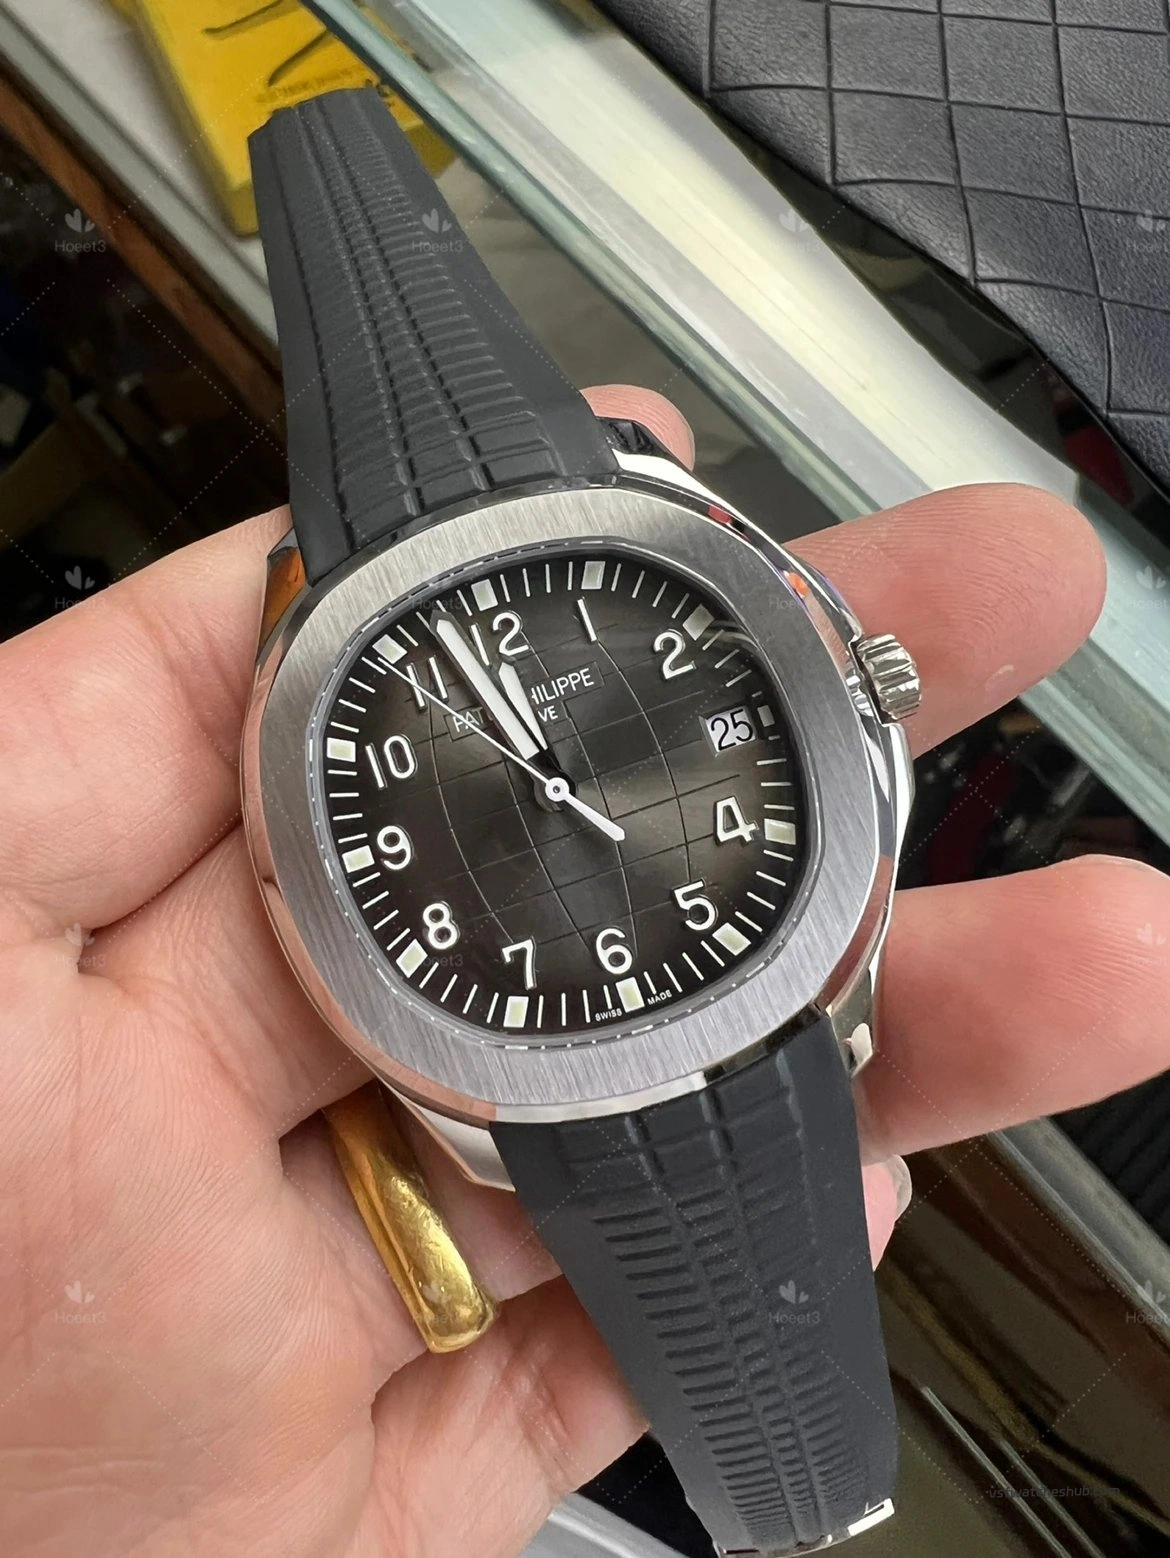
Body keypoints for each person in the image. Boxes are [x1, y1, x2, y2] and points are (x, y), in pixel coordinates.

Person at [2, 385, 1167, 1557]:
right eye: (548, 787)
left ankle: (803, 1492)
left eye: (562, 785)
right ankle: (797, 1494)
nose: (559, 794)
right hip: (552, 1070)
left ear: (868, 686)